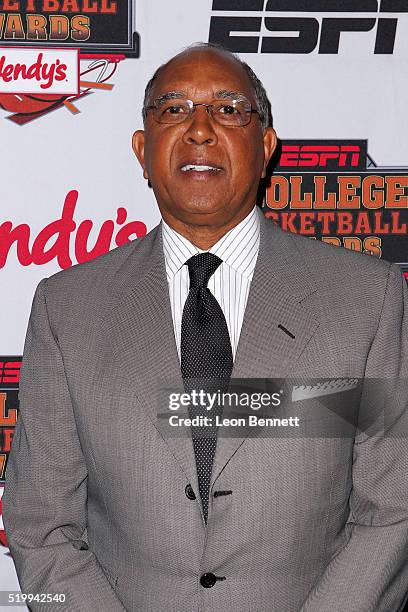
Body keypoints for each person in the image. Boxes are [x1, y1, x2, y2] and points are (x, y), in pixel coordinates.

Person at [3, 43, 408, 612]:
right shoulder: (68, 308)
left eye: (228, 109)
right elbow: (39, 523)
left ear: (265, 147)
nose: (198, 129)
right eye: (172, 110)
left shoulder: (364, 299)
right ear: (143, 152)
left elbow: (394, 508)